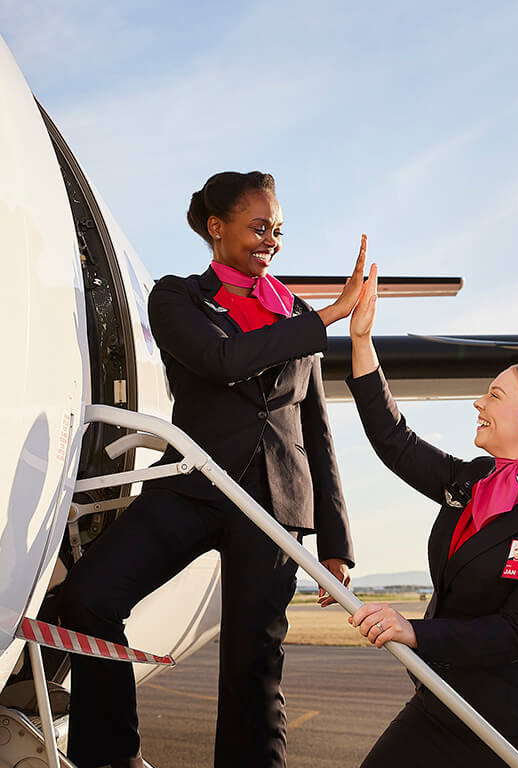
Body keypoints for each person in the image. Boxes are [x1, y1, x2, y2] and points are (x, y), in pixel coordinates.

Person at [58, 171, 363, 768]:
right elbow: (221, 361)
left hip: (276, 502)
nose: (269, 239)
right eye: (257, 227)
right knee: (91, 597)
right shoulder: (176, 299)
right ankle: (109, 756)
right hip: (193, 485)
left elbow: (317, 432)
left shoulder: (294, 314)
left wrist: (337, 543)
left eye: (277, 229)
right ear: (216, 227)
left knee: (254, 664)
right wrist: (327, 317)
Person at [346, 264, 518, 768]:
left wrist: (413, 631)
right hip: (440, 706)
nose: (478, 402)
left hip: (512, 728)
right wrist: (362, 340)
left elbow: (515, 633)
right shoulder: (472, 479)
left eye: (495, 395)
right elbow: (395, 442)